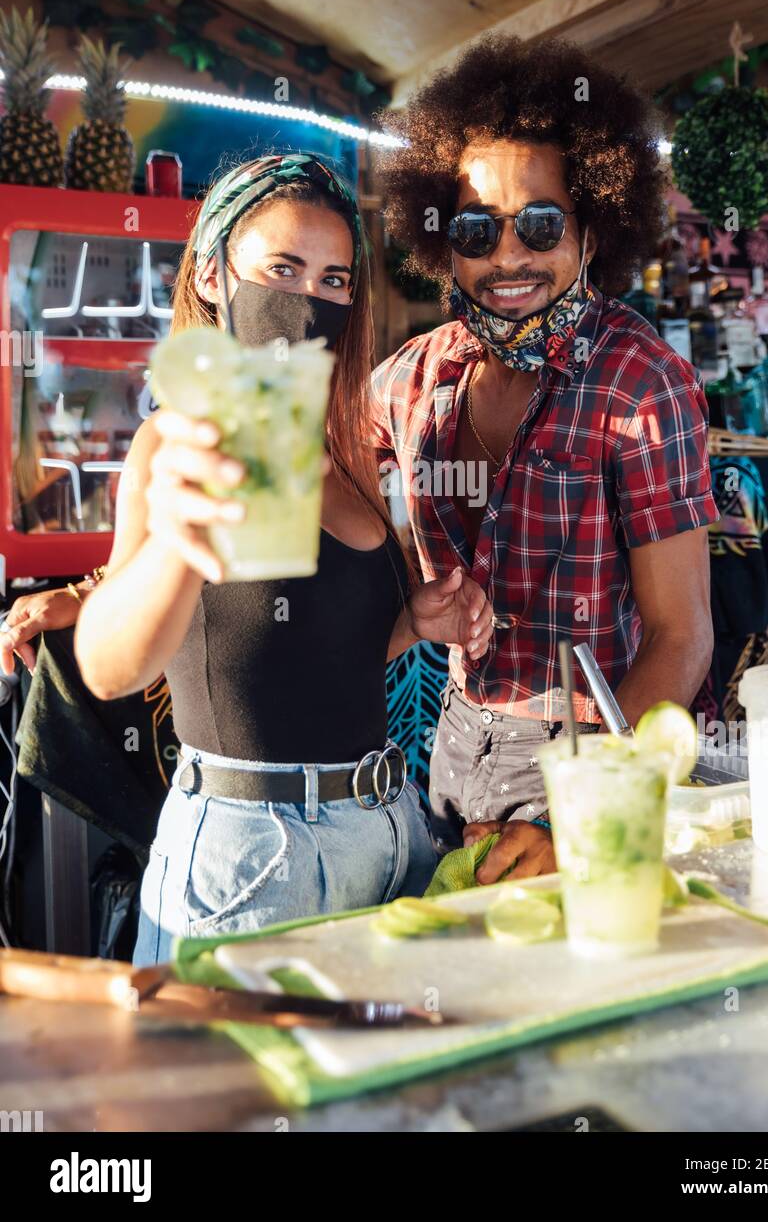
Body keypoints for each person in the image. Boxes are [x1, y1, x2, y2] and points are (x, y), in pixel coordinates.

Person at [67, 152, 493, 964]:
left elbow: (310, 652)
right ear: (213, 276)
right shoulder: (179, 441)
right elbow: (109, 666)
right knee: (247, 1096)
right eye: (283, 268)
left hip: (392, 836)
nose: (309, 299)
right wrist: (176, 548)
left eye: (335, 280)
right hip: (249, 858)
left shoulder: (341, 455)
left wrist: (415, 620)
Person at [373, 34, 719, 881]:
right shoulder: (415, 375)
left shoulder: (640, 383)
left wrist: (582, 815)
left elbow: (682, 637)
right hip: (449, 742)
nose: (507, 256)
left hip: (594, 746)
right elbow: (294, 495)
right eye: (475, 227)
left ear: (591, 232)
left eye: (538, 223)